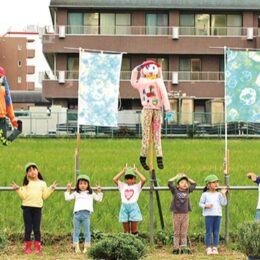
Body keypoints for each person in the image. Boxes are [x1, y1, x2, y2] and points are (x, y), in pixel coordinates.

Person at [130, 60, 174, 170]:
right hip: (146, 109)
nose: (150, 71)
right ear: (144, 70)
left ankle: (159, 156)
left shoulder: (159, 81)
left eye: (153, 68)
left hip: (157, 110)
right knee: (145, 134)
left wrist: (168, 109)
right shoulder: (141, 81)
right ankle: (143, 156)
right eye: (147, 68)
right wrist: (137, 69)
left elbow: (164, 95)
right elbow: (133, 82)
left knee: (157, 134)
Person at [12, 162, 56, 254]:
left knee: (36, 228)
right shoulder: (26, 183)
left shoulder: (42, 183)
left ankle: (37, 247)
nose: (32, 172)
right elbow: (23, 196)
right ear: (27, 174)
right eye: (30, 170)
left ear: (37, 170)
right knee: (28, 228)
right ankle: (27, 247)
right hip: (27, 208)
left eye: (34, 169)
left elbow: (44, 196)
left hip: (37, 209)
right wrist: (17, 189)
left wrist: (51, 189)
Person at [65, 174, 103, 254]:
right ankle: (76, 246)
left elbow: (99, 199)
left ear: (88, 185)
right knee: (76, 231)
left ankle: (87, 247)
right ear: (78, 184)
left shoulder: (91, 193)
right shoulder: (76, 193)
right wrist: (68, 190)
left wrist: (99, 192)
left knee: (87, 231)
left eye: (85, 184)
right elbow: (67, 198)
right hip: (77, 215)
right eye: (80, 183)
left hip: (86, 215)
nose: (82, 185)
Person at [168, 173, 196, 254]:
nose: (185, 184)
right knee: (177, 231)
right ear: (177, 185)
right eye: (182, 182)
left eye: (186, 183)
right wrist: (176, 177)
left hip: (185, 214)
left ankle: (184, 247)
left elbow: (194, 184)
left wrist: (187, 177)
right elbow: (169, 182)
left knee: (184, 231)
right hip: (176, 214)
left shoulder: (188, 190)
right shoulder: (175, 190)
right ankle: (176, 248)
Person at [113, 165, 146, 235]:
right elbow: (115, 179)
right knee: (126, 230)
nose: (129, 180)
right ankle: (127, 243)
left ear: (135, 179)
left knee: (134, 229)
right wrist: (123, 171)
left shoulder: (137, 186)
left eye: (131, 178)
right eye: (127, 178)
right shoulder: (122, 186)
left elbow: (144, 180)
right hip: (124, 207)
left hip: (133, 207)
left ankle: (135, 242)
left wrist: (136, 171)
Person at [199, 174, 227, 255]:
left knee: (216, 232)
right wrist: (205, 206)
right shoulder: (205, 194)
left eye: (217, 182)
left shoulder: (219, 194)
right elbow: (200, 203)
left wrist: (223, 194)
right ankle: (208, 247)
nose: (216, 184)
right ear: (208, 184)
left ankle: (215, 247)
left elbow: (224, 203)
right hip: (208, 216)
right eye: (213, 182)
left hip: (218, 215)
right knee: (208, 232)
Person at [0, 66, 22, 145]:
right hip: (1, 119)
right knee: (5, 142)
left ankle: (18, 129)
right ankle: (19, 129)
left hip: (1, 119)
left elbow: (9, 106)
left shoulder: (5, 91)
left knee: (4, 141)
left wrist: (13, 121)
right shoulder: (5, 91)